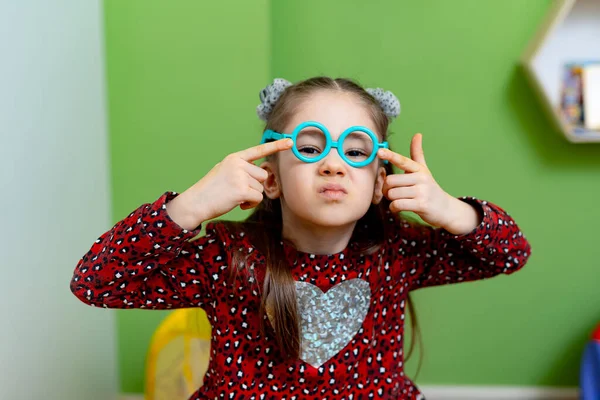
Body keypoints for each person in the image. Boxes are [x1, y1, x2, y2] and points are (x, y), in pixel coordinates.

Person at [71, 76, 531, 399]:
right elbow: (95, 283)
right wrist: (189, 206)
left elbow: (511, 254)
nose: (333, 163)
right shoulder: (225, 256)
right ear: (270, 179)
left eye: (355, 151)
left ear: (377, 185)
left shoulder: (399, 251)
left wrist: (451, 210)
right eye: (309, 148)